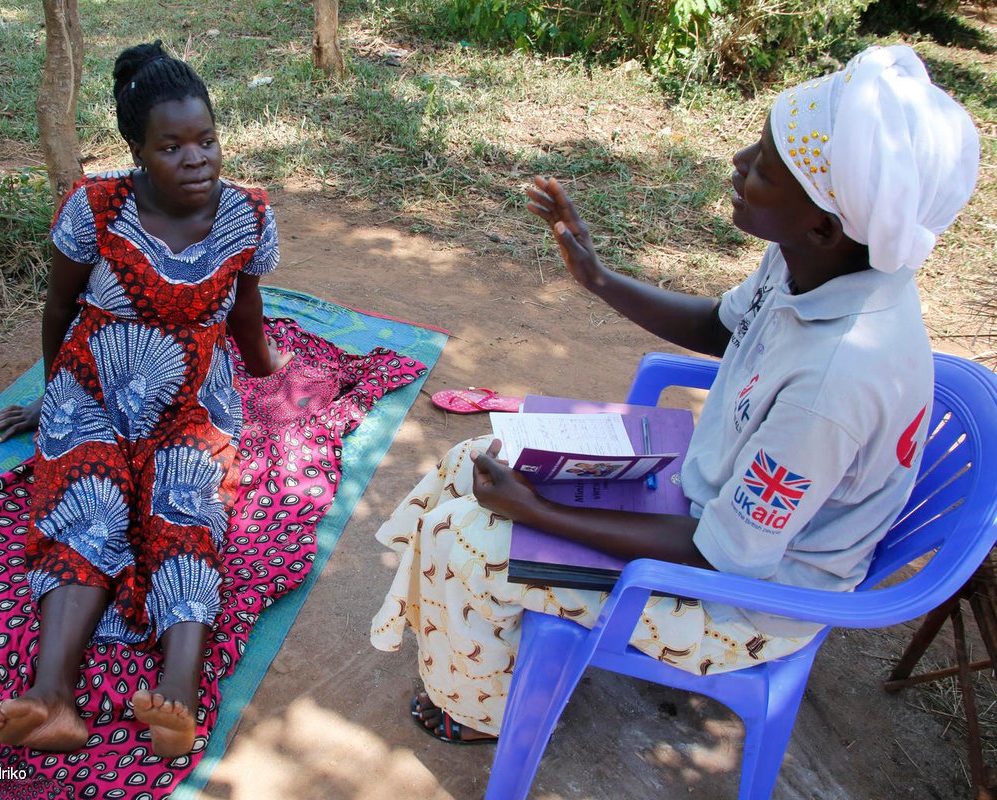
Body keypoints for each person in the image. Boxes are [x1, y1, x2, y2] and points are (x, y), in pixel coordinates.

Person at [370, 44, 981, 744]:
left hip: (745, 604)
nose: (739, 164)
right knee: (475, 458)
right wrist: (599, 278)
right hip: (704, 501)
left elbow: (720, 554)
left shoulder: (837, 382)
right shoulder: (813, 262)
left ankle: (483, 713)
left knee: (466, 539)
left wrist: (536, 509)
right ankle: (463, 636)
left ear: (826, 224)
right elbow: (724, 326)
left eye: (766, 169)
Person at [0, 41, 292, 758]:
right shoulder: (94, 207)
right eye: (173, 145)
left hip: (192, 398)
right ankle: (52, 696)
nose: (197, 159)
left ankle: (177, 697)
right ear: (136, 150)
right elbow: (59, 309)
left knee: (187, 505)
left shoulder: (247, 214)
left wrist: (264, 367)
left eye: (208, 140)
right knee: (88, 505)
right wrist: (52, 397)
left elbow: (247, 305)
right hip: (91, 386)